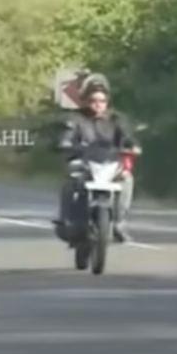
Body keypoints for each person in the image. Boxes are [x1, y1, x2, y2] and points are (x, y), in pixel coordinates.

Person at [51, 78, 140, 245]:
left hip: (110, 163)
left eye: (102, 101)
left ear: (107, 102)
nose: (98, 104)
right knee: (72, 179)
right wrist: (65, 144)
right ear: (84, 101)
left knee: (127, 178)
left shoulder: (116, 120)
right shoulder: (76, 119)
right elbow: (66, 137)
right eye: (93, 100)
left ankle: (119, 223)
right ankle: (66, 221)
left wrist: (133, 147)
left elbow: (128, 139)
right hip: (83, 162)